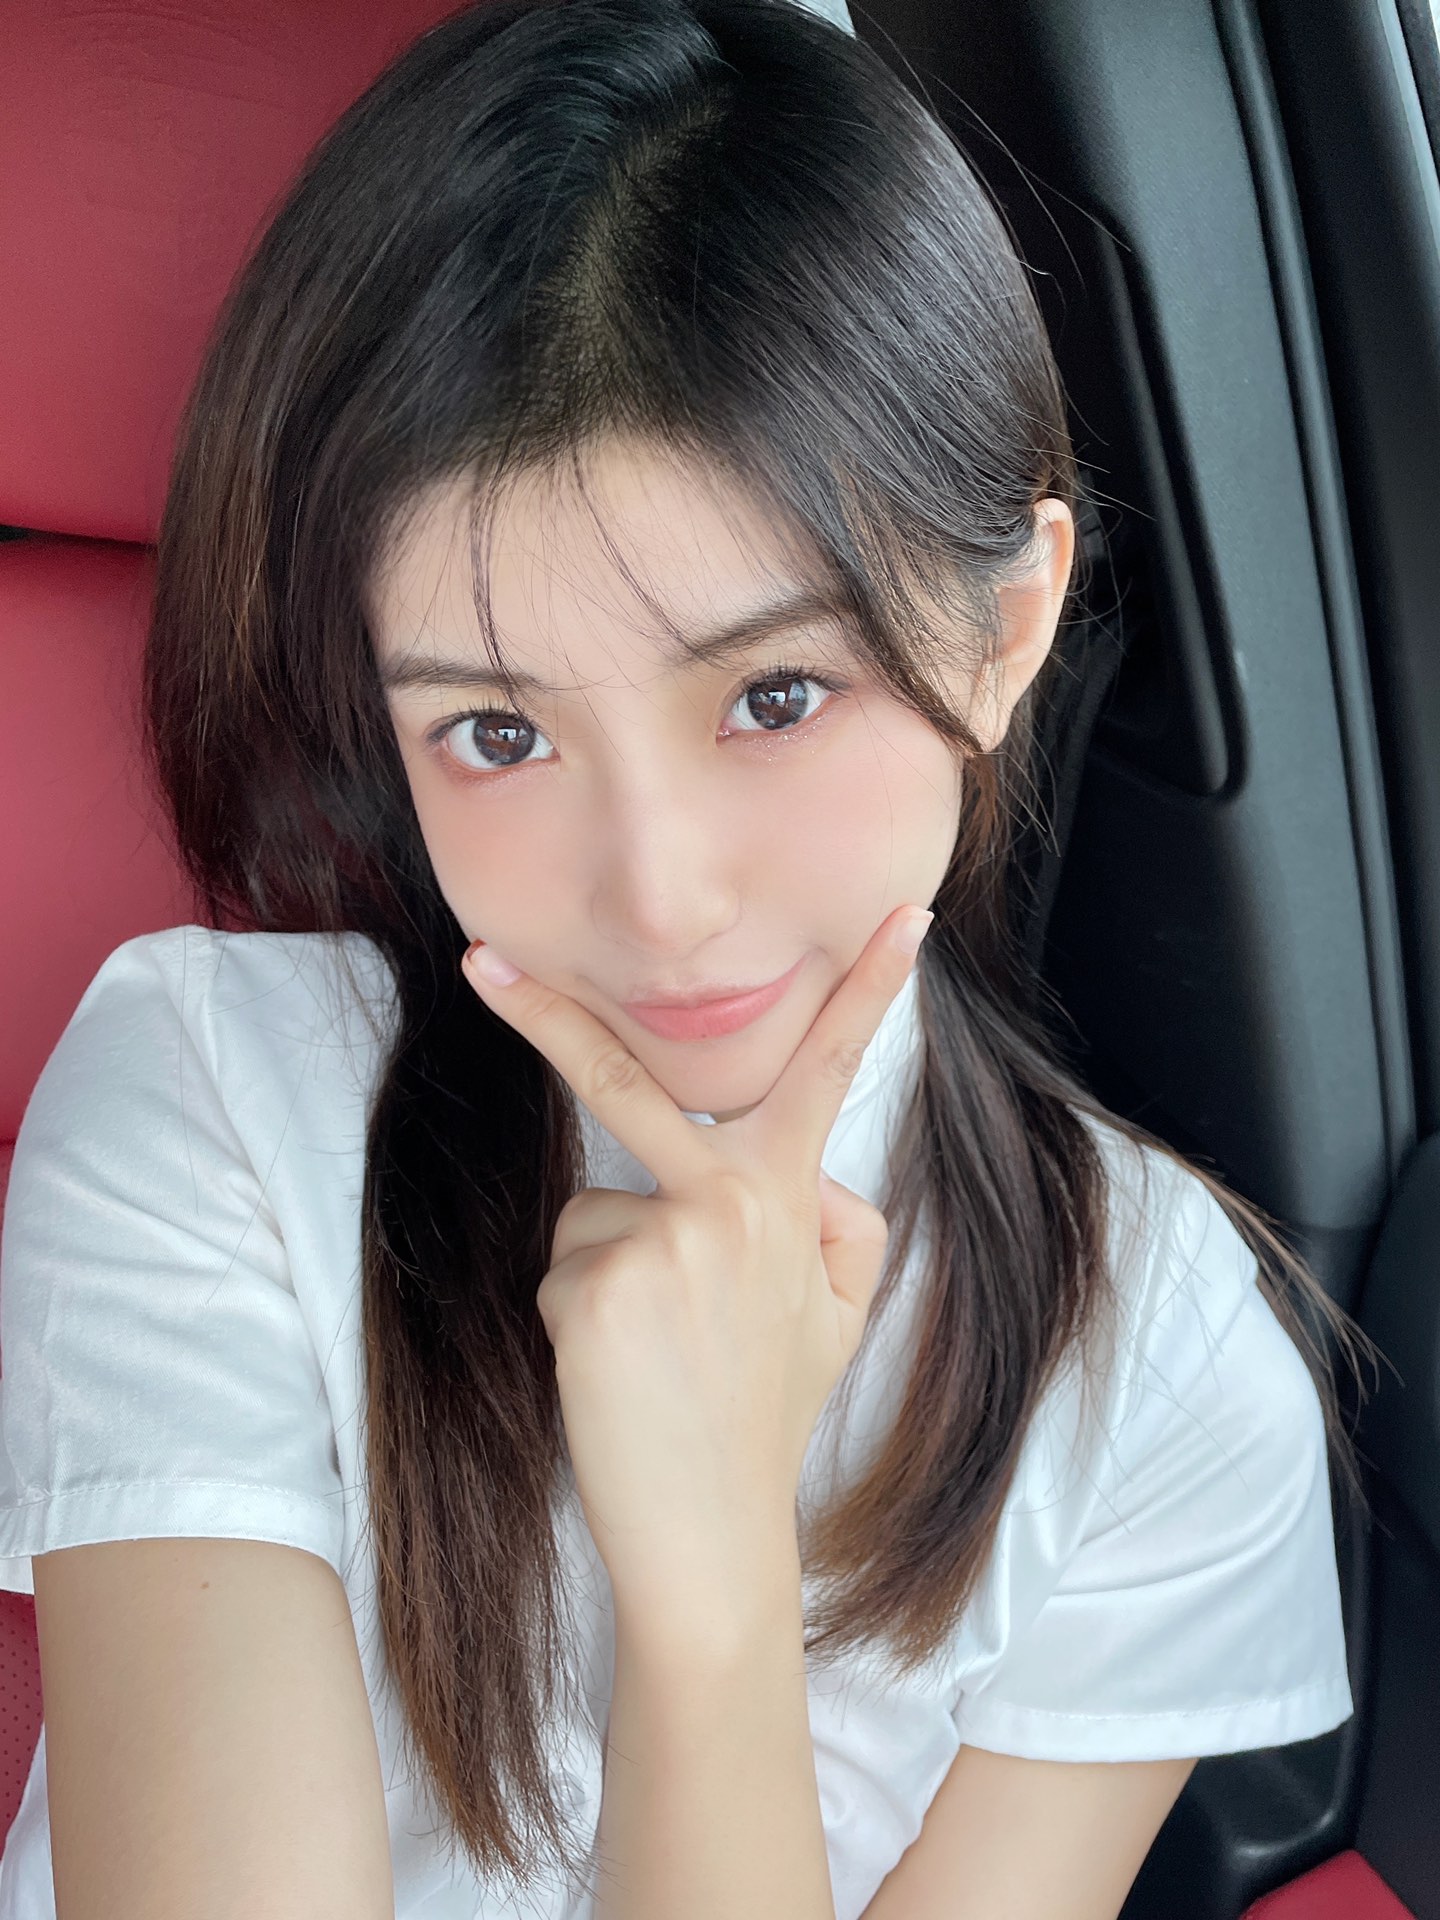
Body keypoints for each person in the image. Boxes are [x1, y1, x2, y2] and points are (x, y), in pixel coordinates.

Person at [0, 1, 1378, 1916]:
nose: (658, 896)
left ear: (1006, 631)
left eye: (775, 695)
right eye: (497, 731)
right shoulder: (215, 1103)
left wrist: (713, 1586)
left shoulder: (1164, 1372)